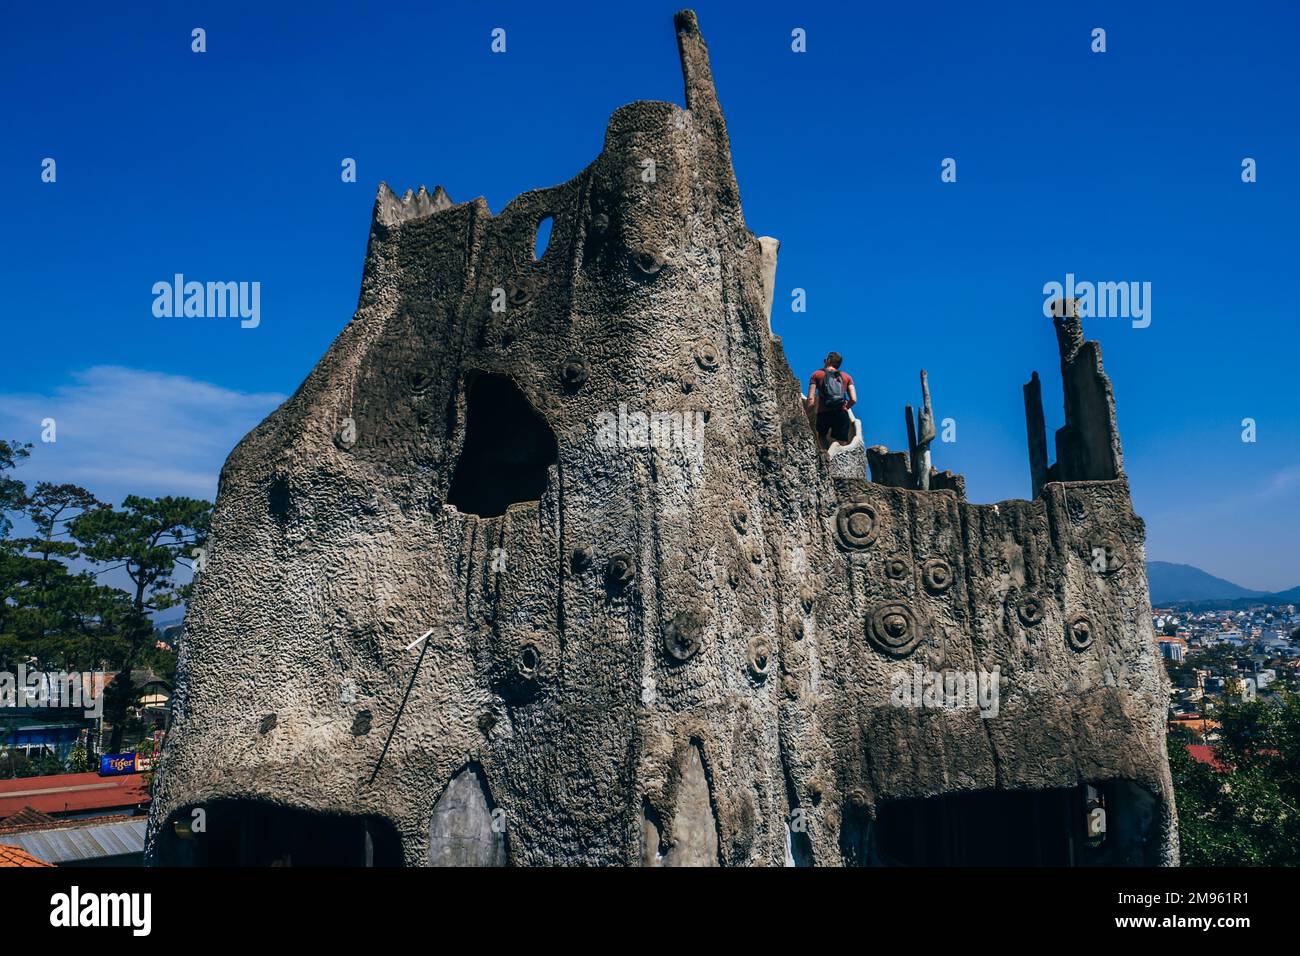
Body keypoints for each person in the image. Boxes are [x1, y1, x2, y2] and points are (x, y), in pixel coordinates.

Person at [806, 352, 857, 449]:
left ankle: (826, 457)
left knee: (821, 436)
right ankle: (835, 452)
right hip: (841, 412)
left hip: (824, 413)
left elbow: (810, 399)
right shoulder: (847, 377)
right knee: (841, 442)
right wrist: (846, 407)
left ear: (828, 360)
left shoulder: (817, 374)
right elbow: (854, 399)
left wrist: (808, 415)